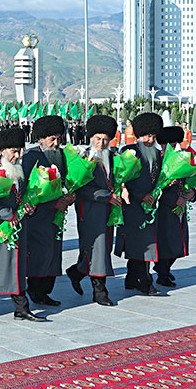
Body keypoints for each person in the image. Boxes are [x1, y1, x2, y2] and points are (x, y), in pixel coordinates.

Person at [0, 127, 44, 321]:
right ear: (3, 151)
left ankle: (21, 307)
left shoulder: (20, 169)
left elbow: (23, 196)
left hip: (17, 226)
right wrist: (8, 214)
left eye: (20, 150)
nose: (18, 155)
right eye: (14, 151)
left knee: (17, 266)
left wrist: (28, 207)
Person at [66, 115, 120, 306]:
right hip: (89, 210)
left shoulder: (113, 157)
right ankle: (100, 291)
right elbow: (81, 188)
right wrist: (107, 196)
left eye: (105, 139)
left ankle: (76, 272)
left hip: (108, 211)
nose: (102, 143)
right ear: (91, 138)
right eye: (98, 138)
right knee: (96, 248)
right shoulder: (83, 158)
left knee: (103, 248)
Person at [20, 115, 74, 307]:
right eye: (52, 139)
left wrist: (69, 196)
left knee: (53, 252)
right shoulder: (31, 157)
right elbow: (27, 189)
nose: (56, 142)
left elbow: (65, 182)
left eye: (59, 138)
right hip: (38, 216)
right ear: (41, 139)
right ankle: (35, 290)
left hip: (56, 216)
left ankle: (45, 291)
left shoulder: (61, 156)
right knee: (39, 253)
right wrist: (52, 204)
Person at [115, 112, 163, 295]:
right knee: (140, 243)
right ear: (138, 135)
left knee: (145, 243)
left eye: (153, 136)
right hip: (133, 205)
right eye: (147, 135)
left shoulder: (158, 154)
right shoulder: (129, 152)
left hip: (151, 206)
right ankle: (145, 281)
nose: (150, 139)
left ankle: (131, 278)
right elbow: (123, 179)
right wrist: (140, 195)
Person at [153, 126, 195, 288]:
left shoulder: (181, 158)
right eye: (169, 143)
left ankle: (165, 267)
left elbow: (189, 181)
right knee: (167, 240)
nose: (173, 146)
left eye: (175, 143)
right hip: (163, 207)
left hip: (180, 206)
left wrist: (189, 195)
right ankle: (162, 271)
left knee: (179, 240)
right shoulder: (157, 159)